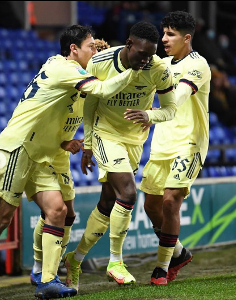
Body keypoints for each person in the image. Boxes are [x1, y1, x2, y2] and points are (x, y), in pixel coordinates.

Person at [0, 25, 141, 300]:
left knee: (58, 211)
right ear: (73, 49)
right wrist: (134, 69)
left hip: (42, 153)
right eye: (90, 46)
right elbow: (102, 89)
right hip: (17, 148)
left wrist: (66, 142)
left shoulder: (73, 77)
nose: (94, 51)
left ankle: (47, 280)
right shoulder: (64, 68)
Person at [63, 21, 177, 292]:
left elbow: (171, 110)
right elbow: (90, 104)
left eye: (151, 54)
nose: (146, 59)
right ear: (128, 45)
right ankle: (115, 261)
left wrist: (150, 115)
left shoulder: (159, 69)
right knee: (127, 193)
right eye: (141, 54)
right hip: (106, 133)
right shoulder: (101, 62)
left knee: (108, 201)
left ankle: (75, 259)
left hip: (135, 140)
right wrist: (89, 144)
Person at [130, 11, 211, 285]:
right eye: (163, 33)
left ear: (186, 38)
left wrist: (150, 115)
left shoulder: (199, 65)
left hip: (189, 142)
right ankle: (178, 253)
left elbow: (177, 97)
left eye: (170, 34)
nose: (164, 38)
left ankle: (162, 268)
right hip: (162, 143)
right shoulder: (159, 63)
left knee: (169, 202)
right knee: (151, 206)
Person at [29, 39, 111, 287]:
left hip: (61, 155)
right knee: (53, 211)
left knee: (69, 214)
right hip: (41, 150)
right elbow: (41, 118)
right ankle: (39, 268)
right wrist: (65, 142)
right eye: (95, 54)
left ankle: (50, 269)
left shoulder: (90, 88)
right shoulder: (67, 76)